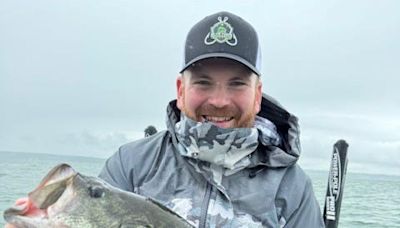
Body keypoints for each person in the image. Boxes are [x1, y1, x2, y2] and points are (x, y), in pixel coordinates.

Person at [99, 11, 324, 227]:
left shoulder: (292, 188)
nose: (219, 101)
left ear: (257, 95)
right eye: (203, 82)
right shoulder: (130, 165)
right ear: (180, 90)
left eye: (237, 83)